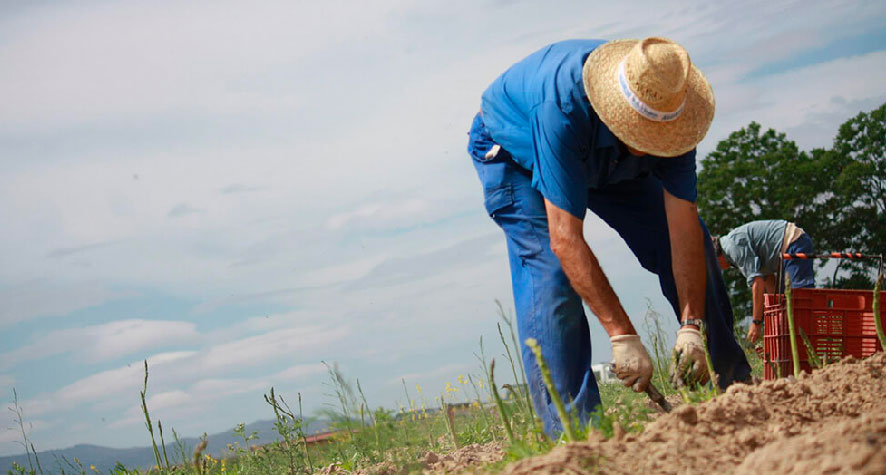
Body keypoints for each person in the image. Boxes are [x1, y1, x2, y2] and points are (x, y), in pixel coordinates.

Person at [467, 37, 751, 436]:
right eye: (642, 133)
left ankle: (734, 388)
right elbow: (565, 239)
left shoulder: (675, 113)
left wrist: (693, 325)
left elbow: (682, 229)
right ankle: (577, 434)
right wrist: (622, 334)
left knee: (698, 243)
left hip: (608, 154)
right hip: (516, 151)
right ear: (617, 110)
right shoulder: (561, 110)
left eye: (658, 136)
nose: (650, 145)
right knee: (551, 274)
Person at [712, 219, 814, 343]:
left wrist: (756, 322)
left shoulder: (733, 248)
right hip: (788, 248)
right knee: (786, 306)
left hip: (794, 243)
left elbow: (757, 282)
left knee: (800, 300)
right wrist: (775, 313)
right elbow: (768, 279)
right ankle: (798, 344)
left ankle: (810, 340)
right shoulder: (731, 248)